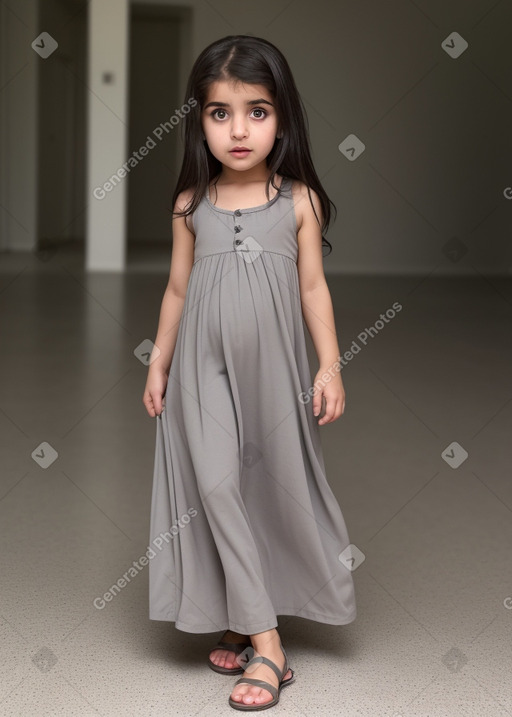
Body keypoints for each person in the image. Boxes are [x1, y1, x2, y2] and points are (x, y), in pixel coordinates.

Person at [142, 34, 357, 711]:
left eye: (257, 111)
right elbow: (177, 290)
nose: (238, 129)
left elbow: (314, 290)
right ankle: (269, 646)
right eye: (219, 112)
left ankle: (245, 610)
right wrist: (160, 363)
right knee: (214, 484)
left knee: (267, 484)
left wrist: (330, 365)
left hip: (273, 371)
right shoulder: (189, 204)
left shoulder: (297, 201)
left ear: (283, 119)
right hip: (200, 369)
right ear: (197, 120)